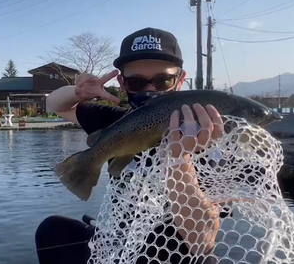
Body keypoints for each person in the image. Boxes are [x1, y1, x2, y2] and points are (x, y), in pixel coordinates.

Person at [36, 27, 224, 264]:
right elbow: (56, 105)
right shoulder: (115, 121)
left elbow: (203, 241)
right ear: (122, 83)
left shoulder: (212, 139)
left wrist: (179, 159)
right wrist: (77, 92)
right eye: (136, 82)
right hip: (117, 247)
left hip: (175, 257)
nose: (150, 89)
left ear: (180, 80)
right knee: (52, 230)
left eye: (162, 80)